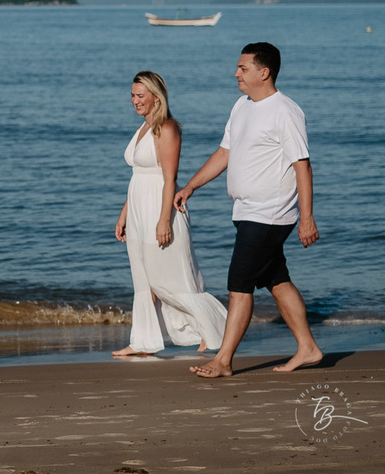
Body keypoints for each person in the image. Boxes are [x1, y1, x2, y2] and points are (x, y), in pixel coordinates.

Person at [174, 43, 322, 378]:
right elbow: (224, 152)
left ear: (263, 72)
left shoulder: (285, 111)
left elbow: (303, 166)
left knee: (239, 282)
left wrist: (307, 217)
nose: (236, 73)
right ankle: (308, 348)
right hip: (245, 211)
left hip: (269, 214)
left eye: (243, 68)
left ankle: (223, 360)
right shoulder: (241, 106)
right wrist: (190, 186)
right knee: (276, 279)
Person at [113, 71, 227, 357]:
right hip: (138, 208)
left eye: (140, 96)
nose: (134, 101)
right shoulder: (143, 127)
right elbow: (138, 176)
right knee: (142, 278)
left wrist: (164, 220)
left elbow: (169, 178)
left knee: (167, 279)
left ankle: (217, 329)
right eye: (132, 95)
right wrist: (124, 215)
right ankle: (142, 341)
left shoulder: (167, 128)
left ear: (156, 97)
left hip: (158, 208)